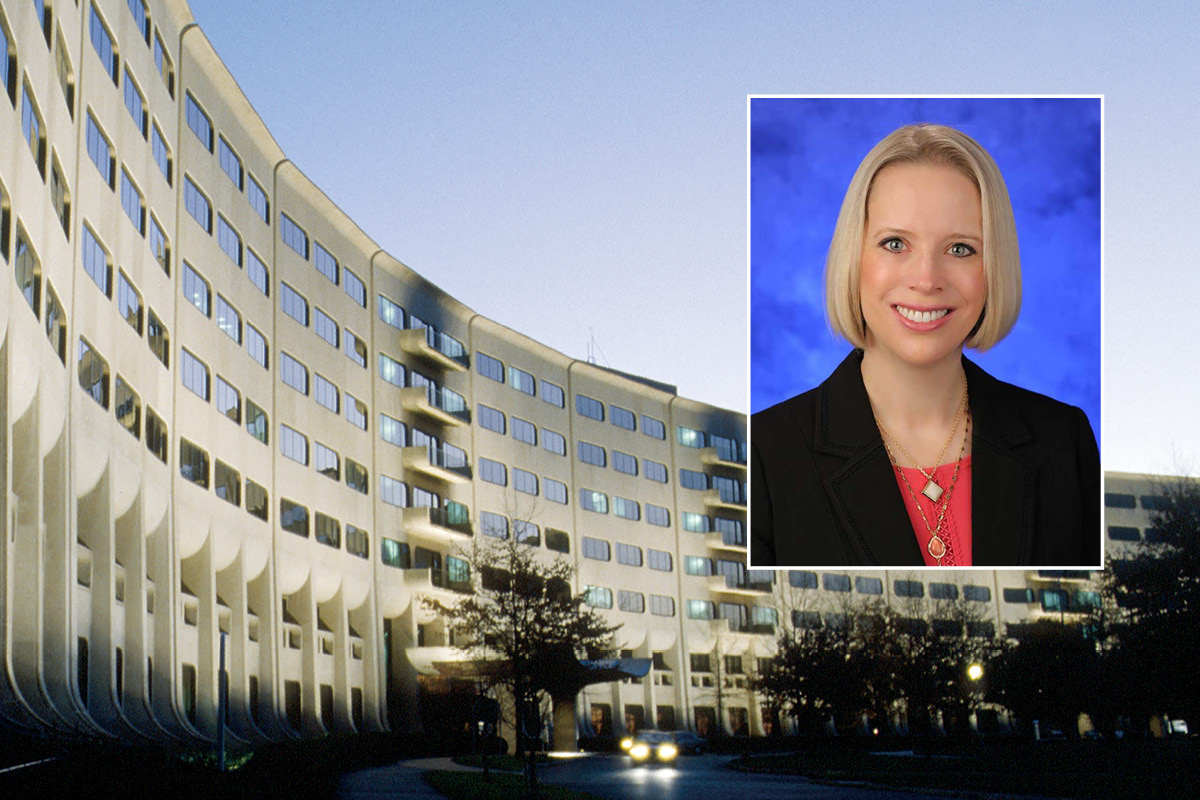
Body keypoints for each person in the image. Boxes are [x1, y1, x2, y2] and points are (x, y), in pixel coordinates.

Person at [750, 123, 1099, 567]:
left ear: (994, 268)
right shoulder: (764, 455)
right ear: (853, 259)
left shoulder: (1063, 442)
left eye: (960, 249)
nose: (927, 280)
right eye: (895, 244)